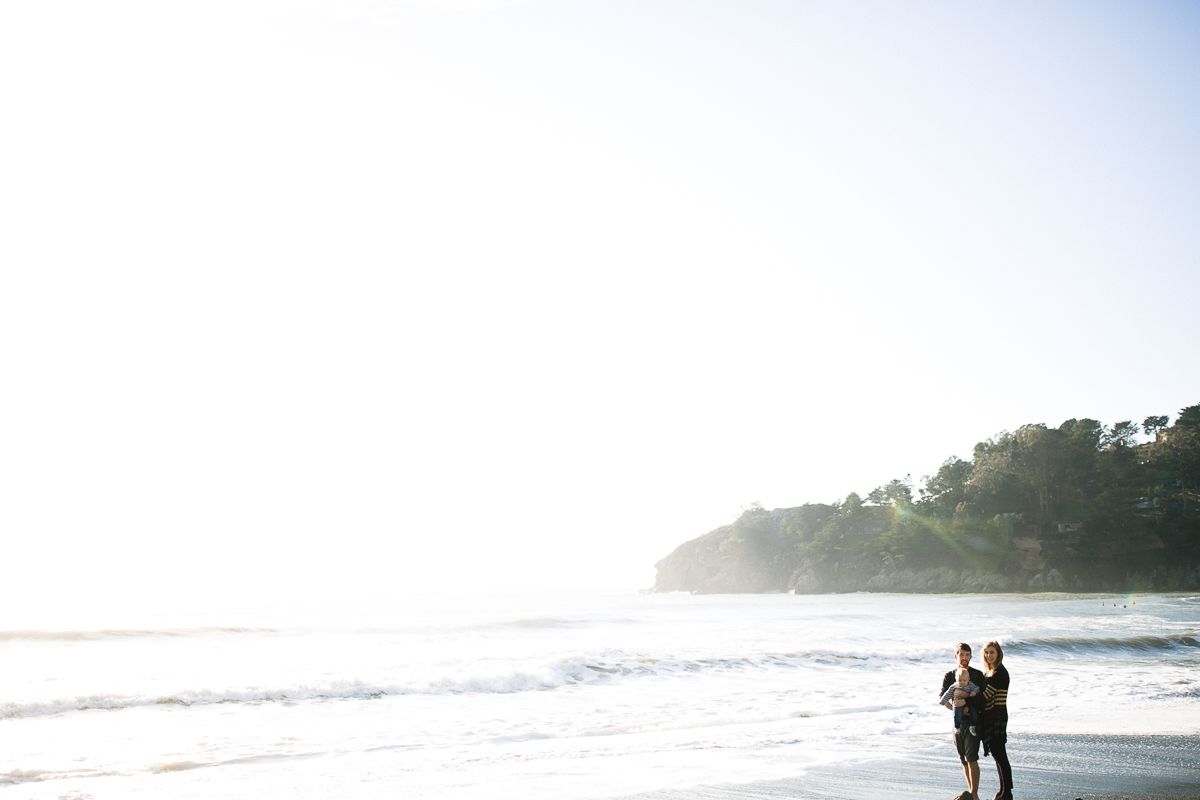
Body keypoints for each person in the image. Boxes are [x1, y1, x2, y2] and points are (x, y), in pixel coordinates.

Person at [941, 643, 987, 800]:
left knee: (972, 757)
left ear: (971, 656)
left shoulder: (977, 676)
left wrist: (966, 707)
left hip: (973, 722)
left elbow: (982, 699)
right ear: (956, 656)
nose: (965, 658)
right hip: (957, 723)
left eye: (967, 655)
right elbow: (943, 699)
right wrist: (955, 708)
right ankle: (971, 791)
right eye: (961, 655)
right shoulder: (949, 676)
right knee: (963, 760)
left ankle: (974, 794)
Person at [980, 640, 1012, 800]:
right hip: (992, 716)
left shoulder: (1000, 673)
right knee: (997, 754)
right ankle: (1003, 791)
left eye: (992, 652)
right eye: (986, 653)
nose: (989, 655)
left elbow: (985, 696)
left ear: (998, 653)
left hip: (997, 716)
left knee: (1000, 755)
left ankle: (1007, 793)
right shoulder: (990, 672)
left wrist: (965, 697)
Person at [938, 667, 980, 735]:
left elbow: (977, 688)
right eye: (959, 680)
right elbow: (947, 694)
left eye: (964, 680)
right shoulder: (954, 686)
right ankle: (957, 727)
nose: (962, 682)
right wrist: (943, 701)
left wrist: (974, 691)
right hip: (958, 704)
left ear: (968, 679)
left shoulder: (970, 684)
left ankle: (972, 726)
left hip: (968, 703)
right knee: (957, 714)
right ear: (956, 679)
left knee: (973, 714)